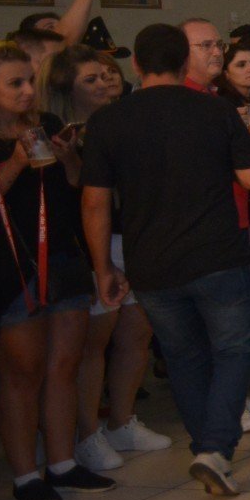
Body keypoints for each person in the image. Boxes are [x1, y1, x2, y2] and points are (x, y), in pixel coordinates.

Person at [82, 24, 250, 497]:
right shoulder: (214, 111)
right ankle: (216, 450)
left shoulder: (109, 121)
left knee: (185, 358)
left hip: (151, 262)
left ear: (136, 65)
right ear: (184, 63)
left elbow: (95, 203)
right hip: (216, 253)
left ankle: (205, 447)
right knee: (232, 351)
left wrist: (104, 267)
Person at [0, 42, 108, 500]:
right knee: (23, 373)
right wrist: (18, 163)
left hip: (63, 255)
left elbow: (80, 185)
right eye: (14, 84)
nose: (26, 92)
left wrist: (67, 157)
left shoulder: (45, 125)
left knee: (66, 363)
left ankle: (62, 462)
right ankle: (25, 474)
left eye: (29, 82)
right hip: (13, 263)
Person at [41, 46, 164, 473]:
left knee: (137, 333)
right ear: (66, 89)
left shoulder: (125, 118)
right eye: (90, 79)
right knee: (94, 343)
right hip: (93, 242)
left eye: (106, 75)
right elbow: (75, 191)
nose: (104, 83)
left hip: (134, 234)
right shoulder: (57, 130)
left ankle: (122, 420)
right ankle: (86, 433)